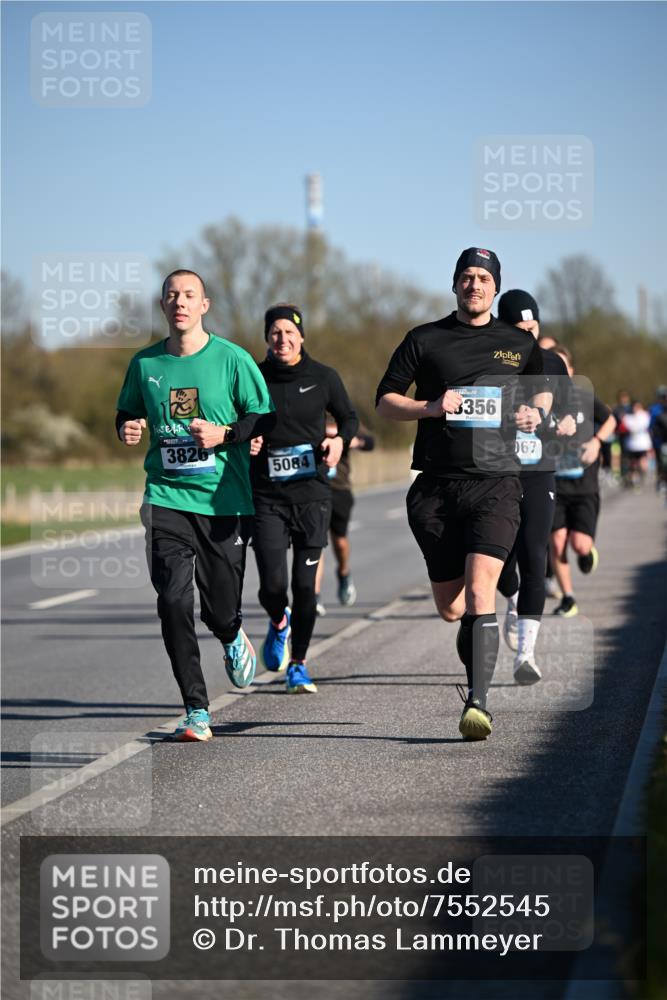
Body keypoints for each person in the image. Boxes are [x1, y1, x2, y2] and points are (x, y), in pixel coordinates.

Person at [376, 248, 547, 741]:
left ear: (496, 287)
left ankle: (479, 704)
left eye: (483, 278)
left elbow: (540, 390)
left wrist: (534, 413)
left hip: (496, 484)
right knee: (454, 608)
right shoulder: (424, 339)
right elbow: (385, 402)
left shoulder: (517, 342)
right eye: (467, 277)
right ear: (454, 285)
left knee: (480, 593)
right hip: (434, 487)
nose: (475, 285)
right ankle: (474, 635)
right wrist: (430, 407)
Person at [116, 270, 274, 741]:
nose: (179, 302)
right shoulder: (145, 364)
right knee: (171, 600)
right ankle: (196, 709)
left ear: (204, 305)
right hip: (165, 497)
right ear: (162, 305)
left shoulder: (232, 359)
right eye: (171, 296)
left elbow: (262, 413)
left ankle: (230, 635)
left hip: (224, 500)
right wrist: (127, 427)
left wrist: (225, 434)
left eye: (189, 295)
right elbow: (127, 409)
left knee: (219, 609)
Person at [249, 304, 358, 693]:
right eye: (275, 332)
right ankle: (279, 622)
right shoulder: (253, 376)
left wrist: (338, 440)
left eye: (289, 332)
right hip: (266, 497)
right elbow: (234, 419)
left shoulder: (323, 377)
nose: (282, 339)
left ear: (302, 337)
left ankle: (299, 664)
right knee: (272, 586)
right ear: (267, 338)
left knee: (304, 586)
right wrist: (246, 438)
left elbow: (349, 417)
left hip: (312, 495)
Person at [494, 290, 575, 685]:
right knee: (501, 561)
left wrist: (567, 421)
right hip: (497, 473)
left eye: (533, 327)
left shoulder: (554, 363)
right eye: (519, 329)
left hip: (540, 471)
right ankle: (509, 601)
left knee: (534, 554)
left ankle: (526, 654)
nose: (528, 335)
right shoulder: (489, 363)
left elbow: (573, 409)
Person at [549, 346, 616, 618]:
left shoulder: (583, 396)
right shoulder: (538, 398)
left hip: (584, 485)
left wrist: (597, 442)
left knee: (579, 545)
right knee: (556, 543)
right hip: (554, 484)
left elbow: (611, 419)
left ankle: (587, 552)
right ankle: (568, 597)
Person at [314, 416, 375, 615]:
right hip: (313, 489)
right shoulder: (309, 411)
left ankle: (344, 572)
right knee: (315, 544)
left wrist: (354, 441)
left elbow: (370, 442)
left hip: (340, 490)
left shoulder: (345, 415)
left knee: (339, 541)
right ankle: (313, 597)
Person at [620, 400, 652, 489]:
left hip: (641, 443)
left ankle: (641, 476)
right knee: (633, 462)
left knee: (641, 461)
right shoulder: (629, 417)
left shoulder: (643, 415)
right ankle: (635, 478)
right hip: (632, 444)